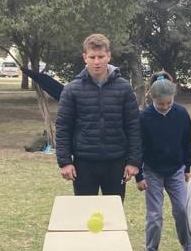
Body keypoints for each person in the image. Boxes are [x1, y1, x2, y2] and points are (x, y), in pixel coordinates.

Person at [55, 33, 141, 198]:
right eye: (92, 57)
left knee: (113, 215)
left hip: (116, 162)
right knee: (84, 215)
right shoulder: (72, 89)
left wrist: (133, 161)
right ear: (84, 57)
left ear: (109, 56)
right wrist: (65, 162)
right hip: (84, 163)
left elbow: (133, 126)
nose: (96, 61)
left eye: (101, 56)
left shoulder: (124, 88)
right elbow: (63, 127)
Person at [136, 73, 191, 251]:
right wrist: (139, 175)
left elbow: (186, 142)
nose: (164, 106)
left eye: (168, 103)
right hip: (152, 171)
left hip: (176, 170)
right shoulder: (144, 117)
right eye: (160, 103)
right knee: (155, 215)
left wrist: (187, 167)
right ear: (152, 99)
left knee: (181, 209)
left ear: (173, 98)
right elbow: (138, 148)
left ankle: (188, 248)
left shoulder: (181, 113)